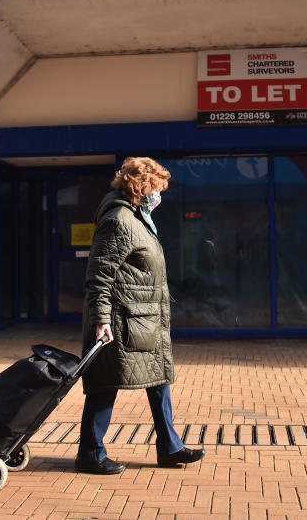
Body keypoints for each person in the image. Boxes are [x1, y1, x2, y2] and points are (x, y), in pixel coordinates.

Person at [76, 157, 205, 475]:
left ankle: (170, 448)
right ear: (141, 187)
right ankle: (90, 453)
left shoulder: (138, 217)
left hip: (144, 318)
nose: (160, 194)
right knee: (105, 383)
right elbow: (100, 275)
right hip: (123, 320)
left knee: (159, 379)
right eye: (157, 188)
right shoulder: (119, 219)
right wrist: (101, 320)